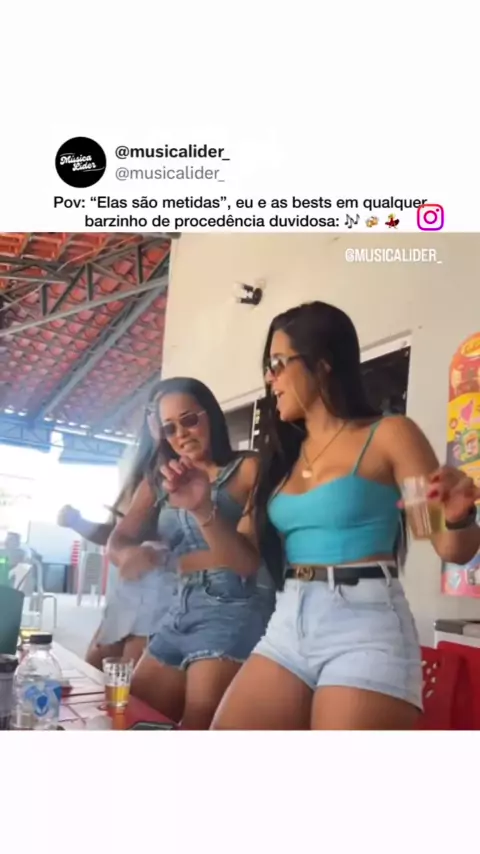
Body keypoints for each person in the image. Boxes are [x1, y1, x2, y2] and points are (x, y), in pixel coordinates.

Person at [211, 301, 480, 730]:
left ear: (322, 364)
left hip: (365, 627)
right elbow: (242, 558)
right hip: (288, 621)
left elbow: (449, 545)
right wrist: (200, 509)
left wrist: (459, 516)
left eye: (277, 364)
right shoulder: (280, 458)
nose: (269, 379)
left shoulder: (390, 435)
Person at [108, 377, 273, 729]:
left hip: (233, 608)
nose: (181, 434)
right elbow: (118, 541)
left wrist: (173, 558)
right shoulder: (160, 479)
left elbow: (248, 559)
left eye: (189, 420)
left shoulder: (248, 468)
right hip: (178, 611)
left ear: (210, 415)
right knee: (135, 716)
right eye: (169, 428)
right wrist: (129, 556)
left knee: (198, 724)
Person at [57, 382, 177, 669]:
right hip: (126, 592)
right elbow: (117, 533)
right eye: (153, 412)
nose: (159, 420)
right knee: (93, 668)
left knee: (129, 682)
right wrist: (79, 523)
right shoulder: (140, 470)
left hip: (161, 597)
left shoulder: (184, 472)